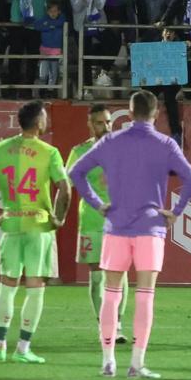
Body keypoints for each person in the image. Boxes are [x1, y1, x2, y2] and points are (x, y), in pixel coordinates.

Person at [68, 91, 191, 378]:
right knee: (145, 295)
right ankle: (137, 363)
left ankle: (107, 361)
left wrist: (98, 204)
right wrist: (175, 211)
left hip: (116, 227)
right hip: (150, 229)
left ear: (128, 113)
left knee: (111, 292)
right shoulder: (164, 143)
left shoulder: (111, 142)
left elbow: (76, 173)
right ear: (156, 114)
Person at [0, 101, 70, 364]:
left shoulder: (0, 149)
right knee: (35, 287)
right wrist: (58, 219)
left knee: (7, 285)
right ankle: (23, 349)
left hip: (11, 224)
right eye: (45, 117)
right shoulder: (49, 152)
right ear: (38, 122)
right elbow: (65, 188)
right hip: (38, 227)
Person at [67, 105, 127, 345]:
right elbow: (68, 181)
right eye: (101, 122)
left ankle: (118, 324)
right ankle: (103, 324)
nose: (107, 126)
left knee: (118, 272)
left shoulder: (124, 148)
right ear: (90, 124)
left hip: (120, 221)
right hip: (92, 220)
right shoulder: (80, 151)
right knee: (97, 274)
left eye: (109, 121)